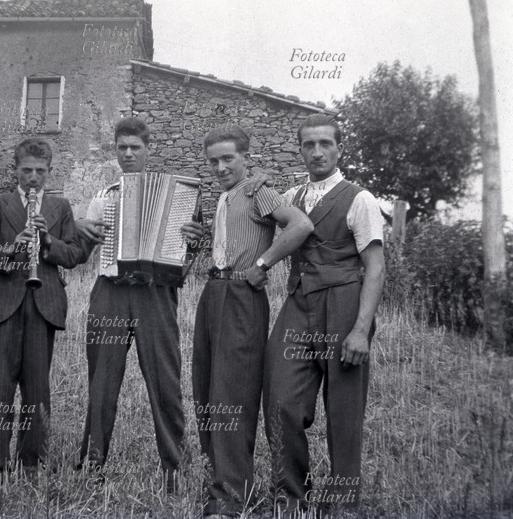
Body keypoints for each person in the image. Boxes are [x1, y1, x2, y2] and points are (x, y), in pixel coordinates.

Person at [73, 117, 205, 492]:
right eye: (122, 148)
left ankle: (174, 468)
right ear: (115, 151)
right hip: (110, 290)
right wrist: (79, 226)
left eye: (135, 147)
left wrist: (195, 239)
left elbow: (189, 255)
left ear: (148, 149)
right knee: (102, 379)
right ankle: (93, 463)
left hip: (155, 293)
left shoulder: (178, 194)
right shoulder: (103, 196)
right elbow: (82, 251)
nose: (128, 154)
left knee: (165, 380)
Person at [262, 114, 385, 512]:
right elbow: (256, 224)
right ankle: (292, 497)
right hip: (298, 303)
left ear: (339, 149)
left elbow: (375, 268)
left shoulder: (360, 199)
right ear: (300, 150)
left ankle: (343, 503)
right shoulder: (290, 196)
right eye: (309, 145)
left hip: (344, 305)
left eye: (325, 144)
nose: (317, 152)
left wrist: (361, 330)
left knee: (344, 412)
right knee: (280, 398)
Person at [192, 126, 313, 518]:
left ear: (245, 157)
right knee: (207, 390)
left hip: (242, 295)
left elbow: (301, 225)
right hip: (213, 292)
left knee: (232, 396)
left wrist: (263, 263)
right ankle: (222, 480)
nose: (220, 167)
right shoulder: (224, 197)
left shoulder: (257, 190)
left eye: (228, 158)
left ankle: (229, 499)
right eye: (214, 161)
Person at [0, 138, 84, 481]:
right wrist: (12, 248)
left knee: (37, 390)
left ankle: (31, 465)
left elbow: (74, 255)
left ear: (49, 171)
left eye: (40, 171)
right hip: (4, 302)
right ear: (16, 170)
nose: (33, 178)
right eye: (26, 170)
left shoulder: (60, 206)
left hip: (44, 303)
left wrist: (48, 240)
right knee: (0, 388)